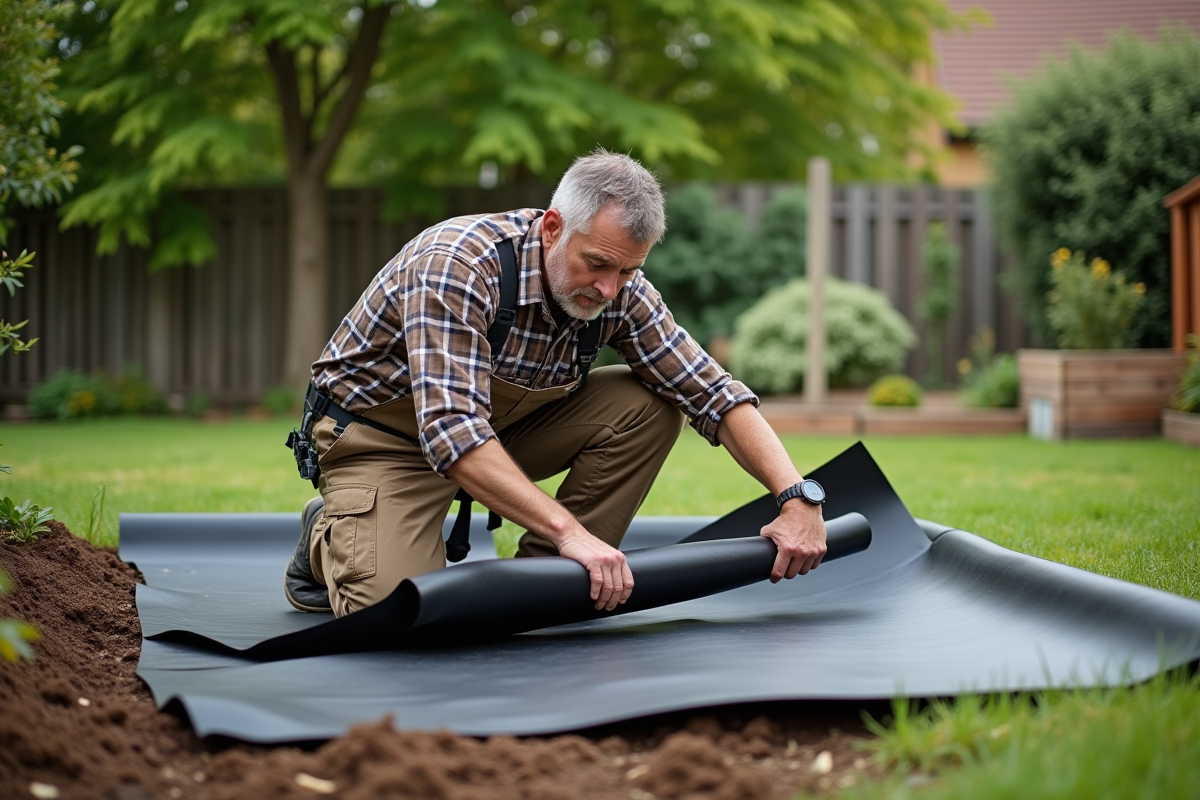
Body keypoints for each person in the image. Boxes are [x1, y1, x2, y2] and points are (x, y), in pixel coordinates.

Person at [284, 149, 827, 618]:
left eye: (628, 272)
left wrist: (797, 495)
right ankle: (330, 535)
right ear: (551, 227)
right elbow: (451, 430)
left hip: (499, 433)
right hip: (386, 440)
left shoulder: (618, 289)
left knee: (647, 404)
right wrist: (571, 529)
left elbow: (711, 391)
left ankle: (545, 582)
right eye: (598, 264)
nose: (609, 288)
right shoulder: (456, 265)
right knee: (403, 614)